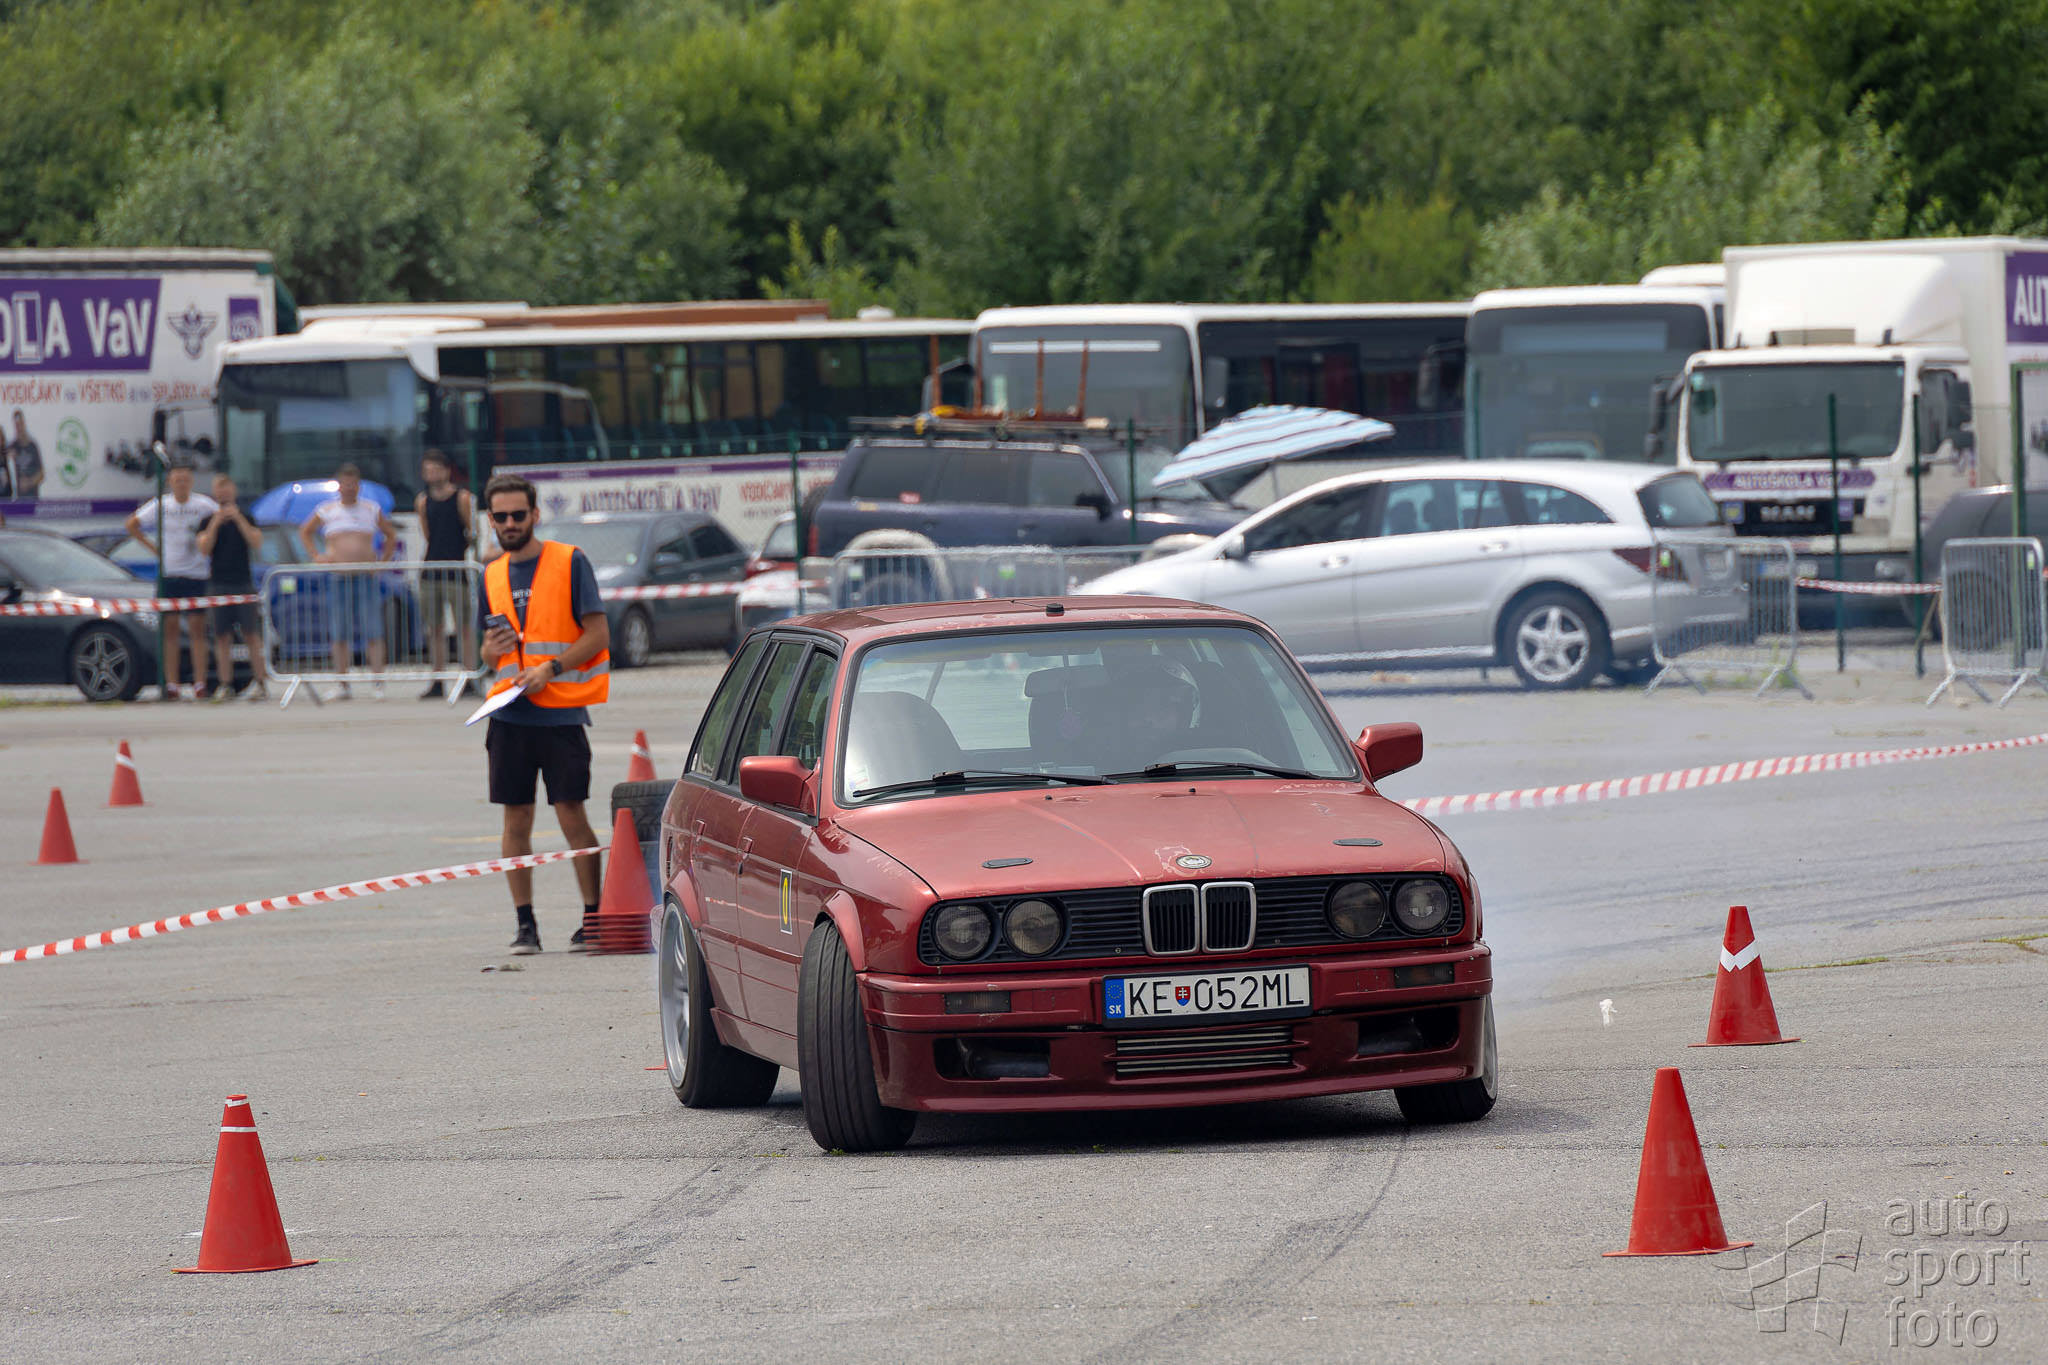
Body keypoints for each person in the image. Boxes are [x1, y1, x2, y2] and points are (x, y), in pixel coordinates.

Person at [478, 472, 610, 954]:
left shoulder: (569, 561)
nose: (510, 523)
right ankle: (525, 925)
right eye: (501, 516)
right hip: (509, 716)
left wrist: (551, 669)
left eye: (518, 514)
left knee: (571, 813)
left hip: (560, 715)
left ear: (535, 514)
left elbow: (597, 634)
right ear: (491, 520)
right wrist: (491, 650)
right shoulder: (490, 574)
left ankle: (593, 917)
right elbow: (484, 654)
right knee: (515, 820)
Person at [298, 463, 397, 700]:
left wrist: (382, 563)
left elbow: (390, 535)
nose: (349, 488)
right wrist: (316, 555)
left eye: (353, 484)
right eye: (345, 484)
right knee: (339, 632)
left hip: (365, 576)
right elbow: (305, 531)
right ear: (339, 487)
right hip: (338, 577)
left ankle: (378, 683)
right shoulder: (327, 510)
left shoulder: (371, 509)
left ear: (358, 486)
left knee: (373, 630)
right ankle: (342, 684)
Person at [125, 459, 218, 701]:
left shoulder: (203, 505)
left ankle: (200, 682)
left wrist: (211, 544)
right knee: (170, 629)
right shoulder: (161, 505)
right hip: (170, 574)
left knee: (197, 628)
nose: (181, 484)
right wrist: (154, 549)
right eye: (177, 480)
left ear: (191, 481)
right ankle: (172, 683)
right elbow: (132, 524)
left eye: (185, 479)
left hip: (196, 573)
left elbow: (221, 521)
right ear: (170, 482)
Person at [196, 473, 269, 703]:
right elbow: (204, 548)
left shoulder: (247, 517)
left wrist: (238, 519)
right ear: (215, 493)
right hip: (218, 583)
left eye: (227, 488)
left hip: (243, 582)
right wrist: (216, 523)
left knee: (251, 634)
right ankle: (225, 684)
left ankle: (260, 682)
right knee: (222, 636)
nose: (224, 493)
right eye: (220, 489)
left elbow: (256, 542)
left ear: (234, 491)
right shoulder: (207, 521)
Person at [414, 449, 477, 699]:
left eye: (436, 469)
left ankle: (469, 677)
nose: (432, 474)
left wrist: (460, 552)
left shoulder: (461, 498)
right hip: (431, 570)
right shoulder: (423, 501)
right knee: (435, 628)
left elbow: (472, 531)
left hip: (456, 570)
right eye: (428, 470)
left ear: (447, 471)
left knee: (464, 627)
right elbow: (427, 533)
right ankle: (438, 679)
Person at [6, 410, 44, 501]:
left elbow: (42, 474)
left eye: (21, 424)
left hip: (32, 498)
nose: (19, 428)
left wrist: (29, 482)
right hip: (17, 498)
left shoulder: (33, 446)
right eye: (16, 425)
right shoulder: (12, 446)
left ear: (24, 424)